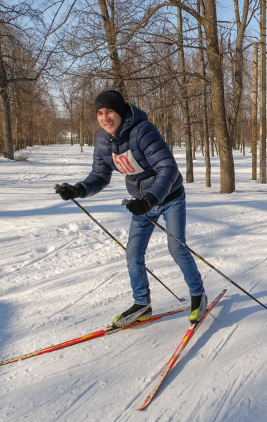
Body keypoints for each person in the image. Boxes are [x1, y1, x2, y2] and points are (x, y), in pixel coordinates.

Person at [56, 90, 206, 327]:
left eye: (110, 112)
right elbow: (99, 175)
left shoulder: (143, 131)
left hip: (169, 197)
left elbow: (168, 168)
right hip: (141, 203)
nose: (105, 118)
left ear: (121, 112)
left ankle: (198, 295)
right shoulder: (104, 141)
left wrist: (150, 199)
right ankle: (142, 304)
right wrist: (78, 190)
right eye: (100, 113)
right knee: (133, 254)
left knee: (176, 248)